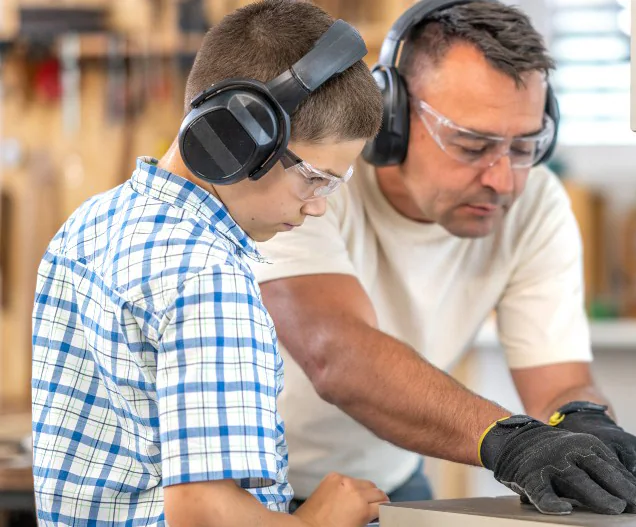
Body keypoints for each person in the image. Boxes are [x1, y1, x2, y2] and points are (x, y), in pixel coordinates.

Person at [254, 0, 636, 516]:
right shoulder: (313, 184)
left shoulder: (534, 204)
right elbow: (335, 354)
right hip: (251, 488)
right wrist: (510, 442)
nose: (503, 181)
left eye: (523, 147)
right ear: (392, 118)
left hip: (388, 481)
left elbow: (558, 382)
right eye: (471, 145)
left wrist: (584, 420)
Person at [30, 1, 389, 526]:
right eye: (314, 178)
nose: (318, 207)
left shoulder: (88, 223)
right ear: (240, 136)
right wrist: (317, 522)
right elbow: (205, 513)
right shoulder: (209, 278)